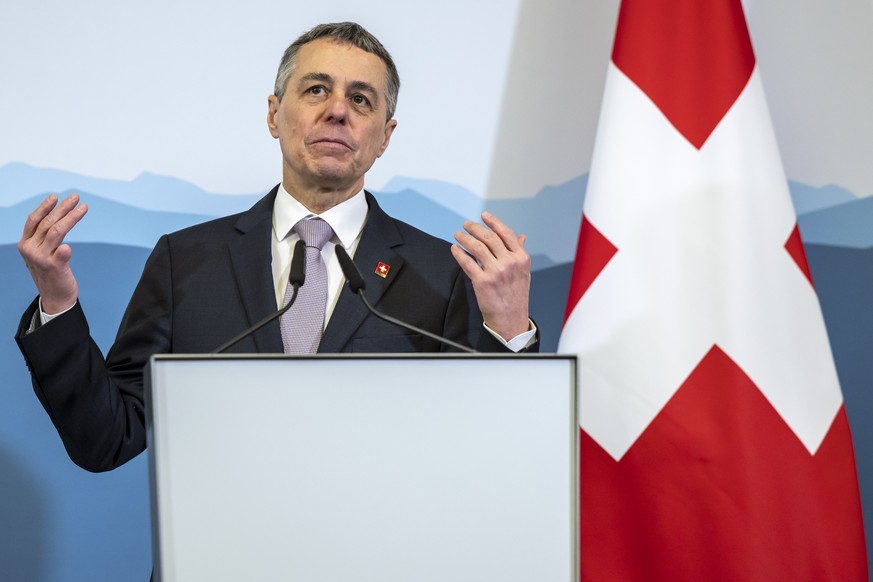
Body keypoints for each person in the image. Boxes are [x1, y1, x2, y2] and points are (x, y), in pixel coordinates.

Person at [15, 22, 537, 473]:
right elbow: (107, 438)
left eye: (361, 99)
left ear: (385, 137)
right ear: (273, 114)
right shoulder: (186, 261)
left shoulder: (439, 275)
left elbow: (487, 452)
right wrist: (58, 305)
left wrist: (510, 329)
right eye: (316, 90)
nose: (337, 112)